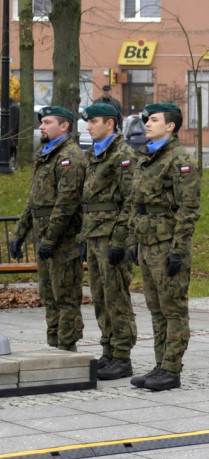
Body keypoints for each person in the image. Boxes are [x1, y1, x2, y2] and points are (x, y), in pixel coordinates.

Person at [126, 103, 201, 391]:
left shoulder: (179, 160)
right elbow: (138, 204)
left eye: (154, 120)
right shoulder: (148, 157)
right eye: (147, 120)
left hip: (167, 244)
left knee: (173, 310)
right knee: (156, 309)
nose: (147, 123)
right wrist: (134, 241)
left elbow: (188, 209)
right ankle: (160, 364)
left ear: (170, 126)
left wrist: (178, 249)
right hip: (147, 244)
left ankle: (171, 369)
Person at [8, 106, 87, 351]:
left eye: (47, 122)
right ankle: (54, 344)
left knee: (65, 297)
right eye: (41, 122)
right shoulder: (46, 153)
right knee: (49, 295)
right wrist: (19, 234)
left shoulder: (71, 156)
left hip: (62, 239)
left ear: (64, 126)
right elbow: (34, 200)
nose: (41, 126)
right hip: (44, 236)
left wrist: (50, 239)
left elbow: (66, 203)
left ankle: (67, 347)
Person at [81, 103, 138, 379]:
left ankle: (122, 356)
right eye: (88, 122)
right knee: (100, 297)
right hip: (95, 235)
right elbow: (91, 200)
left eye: (94, 121)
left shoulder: (122, 154)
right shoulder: (97, 153)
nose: (89, 126)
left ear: (110, 124)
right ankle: (108, 350)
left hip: (112, 236)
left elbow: (130, 200)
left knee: (116, 298)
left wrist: (120, 240)